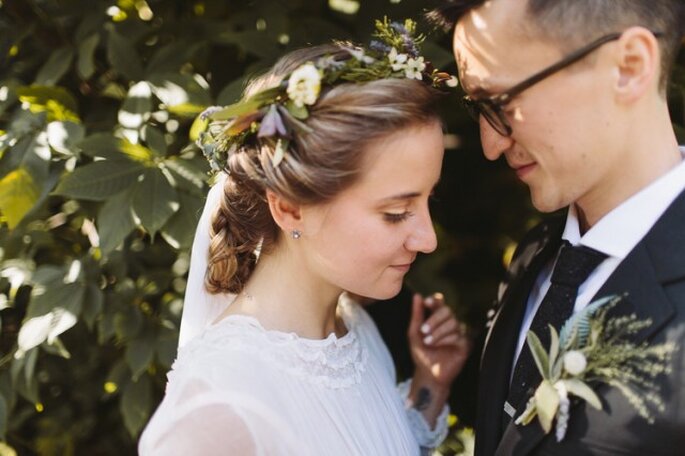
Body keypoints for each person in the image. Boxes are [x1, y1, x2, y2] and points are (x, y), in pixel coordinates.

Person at [139, 20, 470, 455]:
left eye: (429, 201)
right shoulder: (217, 410)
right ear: (290, 208)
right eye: (395, 213)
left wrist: (429, 384)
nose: (427, 239)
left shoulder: (355, 333)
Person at [430, 1, 685, 455]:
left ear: (629, 67)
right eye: (477, 109)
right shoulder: (535, 257)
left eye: (502, 102)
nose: (490, 145)